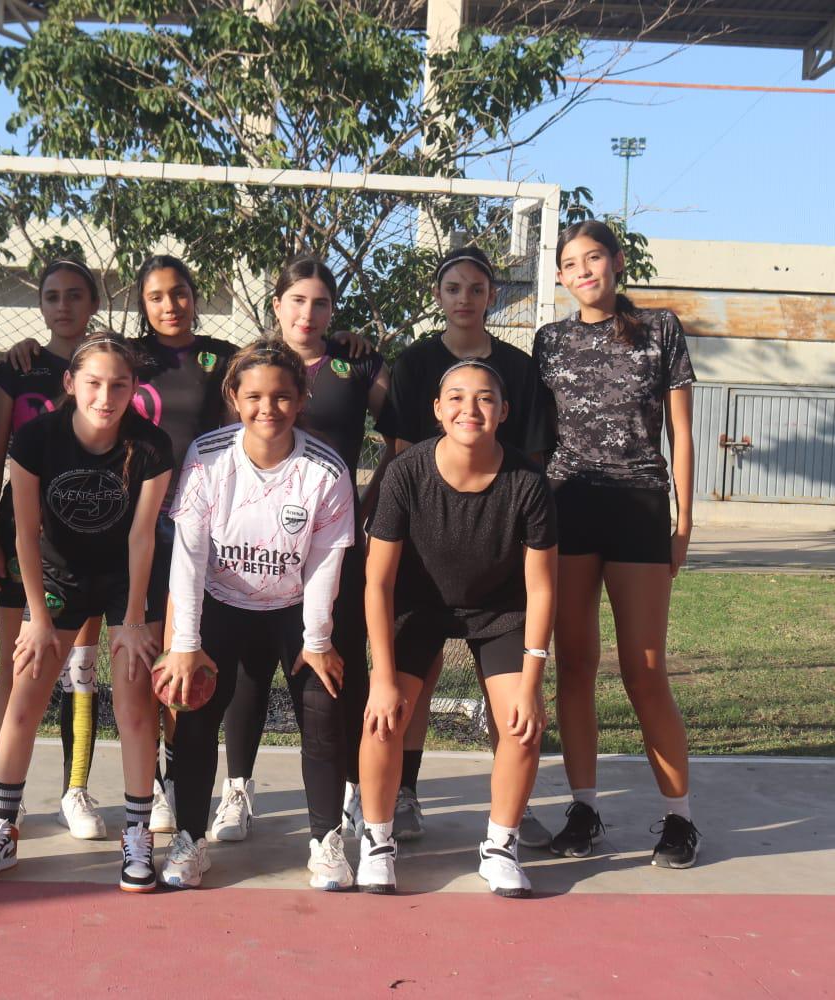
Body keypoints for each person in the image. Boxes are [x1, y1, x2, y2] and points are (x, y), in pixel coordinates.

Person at [3, 254, 238, 834]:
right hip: (81, 543)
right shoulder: (109, 369)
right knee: (64, 669)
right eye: (155, 295)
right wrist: (27, 351)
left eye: (179, 292)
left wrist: (345, 343)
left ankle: (161, 789)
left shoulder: (218, 361)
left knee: (150, 676)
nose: (169, 304)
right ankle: (69, 789)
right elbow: (24, 523)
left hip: (169, 533)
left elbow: (277, 372)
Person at [0, 336, 174, 891]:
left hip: (126, 578)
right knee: (26, 694)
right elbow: (25, 532)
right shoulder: (36, 440)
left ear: (133, 390)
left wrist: (130, 619)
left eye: (119, 385)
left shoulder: (150, 446)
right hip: (58, 577)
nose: (106, 396)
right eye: (95, 383)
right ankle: (2, 827)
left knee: (133, 703)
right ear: (71, 384)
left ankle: (136, 836)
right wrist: (36, 614)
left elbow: (144, 537)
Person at [155, 340, 357, 890]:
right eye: (255, 397)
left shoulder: (325, 471)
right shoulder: (207, 457)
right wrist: (185, 641)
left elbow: (323, 565)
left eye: (282, 397)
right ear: (234, 397)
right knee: (196, 714)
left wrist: (316, 641)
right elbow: (190, 554)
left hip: (292, 608)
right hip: (222, 604)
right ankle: (190, 840)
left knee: (321, 708)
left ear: (301, 399)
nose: (268, 409)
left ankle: (326, 841)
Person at [372, 244, 554, 847]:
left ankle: (511, 808)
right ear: (439, 296)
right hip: (427, 558)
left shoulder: (519, 370)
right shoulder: (416, 363)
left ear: (492, 296)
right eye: (454, 287)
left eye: (477, 287)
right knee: (405, 686)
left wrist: (505, 512)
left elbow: (531, 455)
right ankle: (402, 794)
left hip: (492, 561)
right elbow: (398, 448)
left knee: (514, 701)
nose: (465, 298)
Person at [533, 220, 701, 869]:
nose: (584, 271)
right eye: (571, 264)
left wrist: (683, 526)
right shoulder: (549, 341)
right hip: (569, 510)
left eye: (594, 258)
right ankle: (583, 807)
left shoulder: (661, 330)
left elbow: (682, 436)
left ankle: (680, 818)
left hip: (638, 510)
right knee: (573, 665)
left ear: (616, 262)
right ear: (560, 277)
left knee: (645, 670)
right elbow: (540, 442)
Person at [211, 255, 391, 846]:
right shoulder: (251, 367)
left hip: (330, 543)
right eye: (296, 300)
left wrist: (368, 507)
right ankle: (238, 789)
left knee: (337, 666)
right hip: (255, 551)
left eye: (319, 302)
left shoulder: (356, 364)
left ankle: (350, 793)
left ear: (333, 310)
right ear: (276, 305)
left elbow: (402, 439)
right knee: (248, 671)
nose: (307, 313)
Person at [359, 361, 557, 896]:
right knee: (384, 715)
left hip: (499, 612)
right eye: (457, 397)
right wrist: (381, 676)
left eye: (486, 398)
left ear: (504, 411)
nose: (470, 409)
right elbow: (377, 583)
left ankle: (500, 845)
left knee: (520, 722)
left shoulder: (529, 483)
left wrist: (534, 682)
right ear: (438, 410)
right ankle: (376, 840)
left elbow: (541, 588)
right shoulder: (406, 474)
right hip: (418, 607)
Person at [0, 258, 110, 839]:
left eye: (75, 295)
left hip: (91, 536)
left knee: (82, 665)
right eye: (52, 296)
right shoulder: (19, 372)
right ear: (41, 305)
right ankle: (7, 798)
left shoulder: (109, 369)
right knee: (19, 664)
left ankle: (75, 790)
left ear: (93, 302)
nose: (63, 306)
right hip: (23, 534)